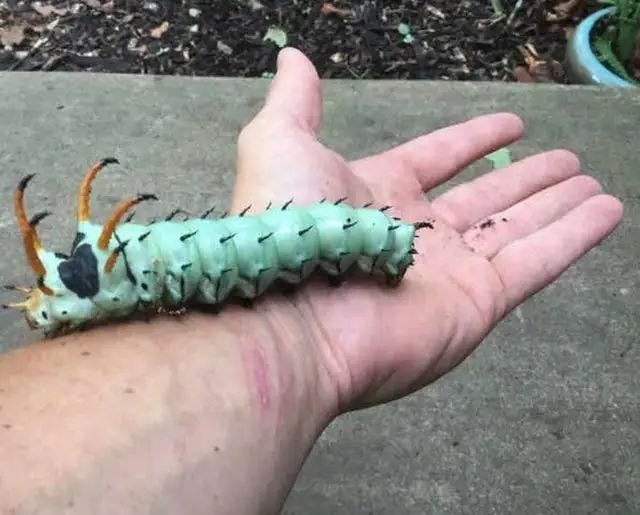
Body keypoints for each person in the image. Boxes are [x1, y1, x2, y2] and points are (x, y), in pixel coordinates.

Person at [0, 48, 623, 514]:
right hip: (139, 267)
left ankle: (81, 283)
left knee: (206, 254)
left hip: (147, 264)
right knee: (194, 256)